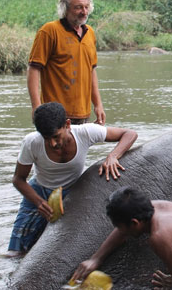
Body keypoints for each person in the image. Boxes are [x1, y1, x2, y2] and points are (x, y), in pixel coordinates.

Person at [7, 102, 138, 256]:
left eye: (56, 136)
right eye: (46, 138)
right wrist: (38, 202)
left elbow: (130, 134)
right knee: (15, 252)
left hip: (73, 191)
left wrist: (113, 156)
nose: (52, 143)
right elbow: (18, 179)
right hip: (39, 191)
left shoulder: (85, 132)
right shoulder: (31, 142)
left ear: (67, 125)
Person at [27, 0, 105, 125]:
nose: (84, 12)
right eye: (78, 7)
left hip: (83, 114)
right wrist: (36, 107)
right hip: (54, 115)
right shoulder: (49, 31)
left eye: (86, 7)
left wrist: (98, 105)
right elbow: (34, 69)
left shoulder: (90, 33)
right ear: (65, 9)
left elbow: (91, 70)